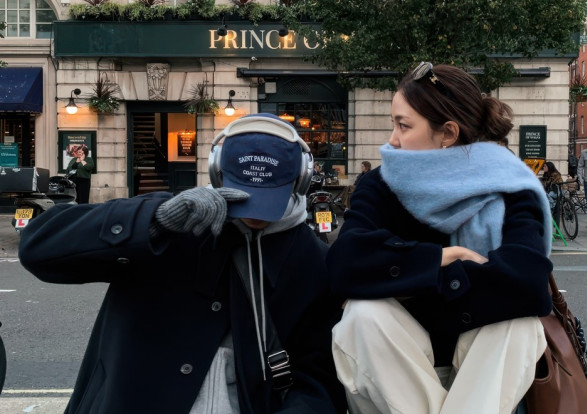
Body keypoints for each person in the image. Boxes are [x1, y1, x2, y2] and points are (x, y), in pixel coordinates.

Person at [19, 113, 347, 414]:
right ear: (217, 174)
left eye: (269, 196)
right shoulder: (171, 224)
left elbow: (318, 378)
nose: (254, 212)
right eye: (243, 192)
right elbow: (38, 248)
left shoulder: (313, 261)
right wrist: (153, 221)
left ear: (300, 181)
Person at [327, 62, 553, 414]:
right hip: (399, 365)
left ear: (447, 133)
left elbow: (528, 281)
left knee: (519, 324)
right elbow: (344, 263)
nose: (392, 139)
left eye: (403, 125)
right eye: (393, 124)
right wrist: (441, 259)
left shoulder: (510, 187)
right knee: (363, 314)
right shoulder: (380, 184)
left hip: (480, 363)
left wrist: (411, 280)